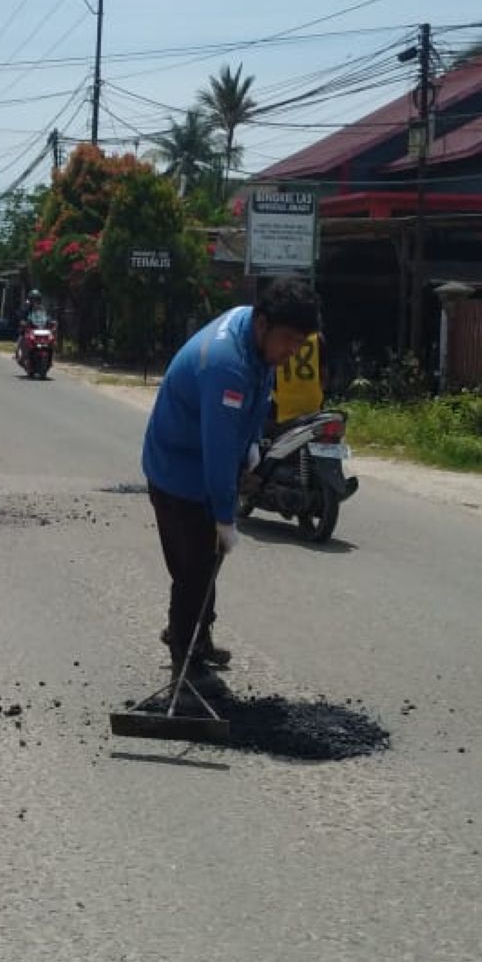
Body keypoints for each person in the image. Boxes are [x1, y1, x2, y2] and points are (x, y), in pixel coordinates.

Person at [142, 278, 319, 673]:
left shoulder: (253, 338)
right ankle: (184, 670)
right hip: (176, 468)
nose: (292, 351)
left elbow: (258, 398)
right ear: (263, 324)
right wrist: (225, 516)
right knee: (192, 570)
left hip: (203, 454)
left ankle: (198, 639)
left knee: (207, 560)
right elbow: (218, 455)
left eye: (299, 342)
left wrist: (254, 442)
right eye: (288, 339)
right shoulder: (227, 364)